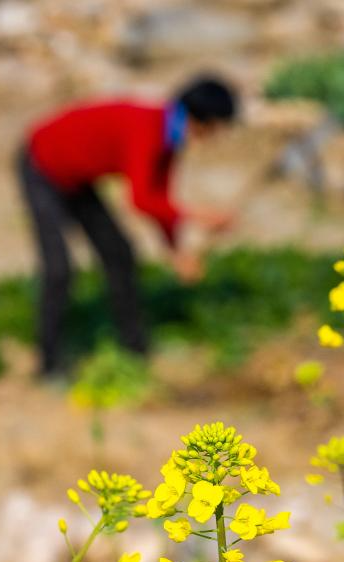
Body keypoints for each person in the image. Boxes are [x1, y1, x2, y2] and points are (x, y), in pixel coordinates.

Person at [18, 75, 239, 377]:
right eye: (214, 129)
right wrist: (202, 215)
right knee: (59, 269)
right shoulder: (147, 128)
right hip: (42, 165)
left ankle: (135, 349)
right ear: (202, 121)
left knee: (120, 254)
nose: (212, 138)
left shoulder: (168, 138)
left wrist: (177, 253)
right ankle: (49, 365)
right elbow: (140, 200)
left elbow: (158, 197)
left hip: (78, 179)